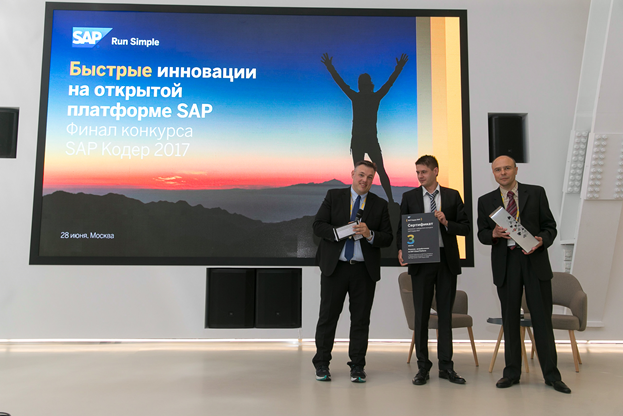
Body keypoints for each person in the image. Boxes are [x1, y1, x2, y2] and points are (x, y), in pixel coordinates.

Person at [477, 155, 571, 394]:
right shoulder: (485, 201)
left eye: (507, 168)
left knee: (542, 320)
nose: (503, 173)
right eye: (498, 170)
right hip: (506, 263)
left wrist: (542, 240)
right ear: (493, 173)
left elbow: (550, 227)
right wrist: (493, 234)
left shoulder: (536, 193)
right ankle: (511, 373)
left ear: (516, 170)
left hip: (534, 260)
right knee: (510, 320)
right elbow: (481, 233)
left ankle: (552, 376)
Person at [312, 160, 393, 383]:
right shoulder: (334, 196)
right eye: (361, 175)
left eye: (369, 177)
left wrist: (369, 234)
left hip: (363, 272)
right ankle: (322, 364)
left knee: (360, 320)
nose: (364, 180)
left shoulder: (379, 204)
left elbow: (387, 238)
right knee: (327, 318)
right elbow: (318, 226)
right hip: (335, 269)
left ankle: (357, 366)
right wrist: (341, 232)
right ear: (353, 174)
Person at [396, 155, 471, 385]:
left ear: (435, 171)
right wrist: (401, 249)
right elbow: (402, 228)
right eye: (417, 172)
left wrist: (447, 223)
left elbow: (465, 228)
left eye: (424, 172)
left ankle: (446, 367)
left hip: (446, 262)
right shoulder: (409, 197)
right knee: (421, 316)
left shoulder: (452, 196)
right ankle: (422, 367)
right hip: (421, 262)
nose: (420, 176)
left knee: (445, 315)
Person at [321, 53, 409, 204]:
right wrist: (399, 67)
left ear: (360, 85)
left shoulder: (357, 97)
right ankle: (390, 200)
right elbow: (389, 83)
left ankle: (363, 202)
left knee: (360, 174)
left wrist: (330, 67)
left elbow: (340, 83)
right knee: (379, 171)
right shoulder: (374, 97)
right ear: (370, 85)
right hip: (369, 140)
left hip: (359, 141)